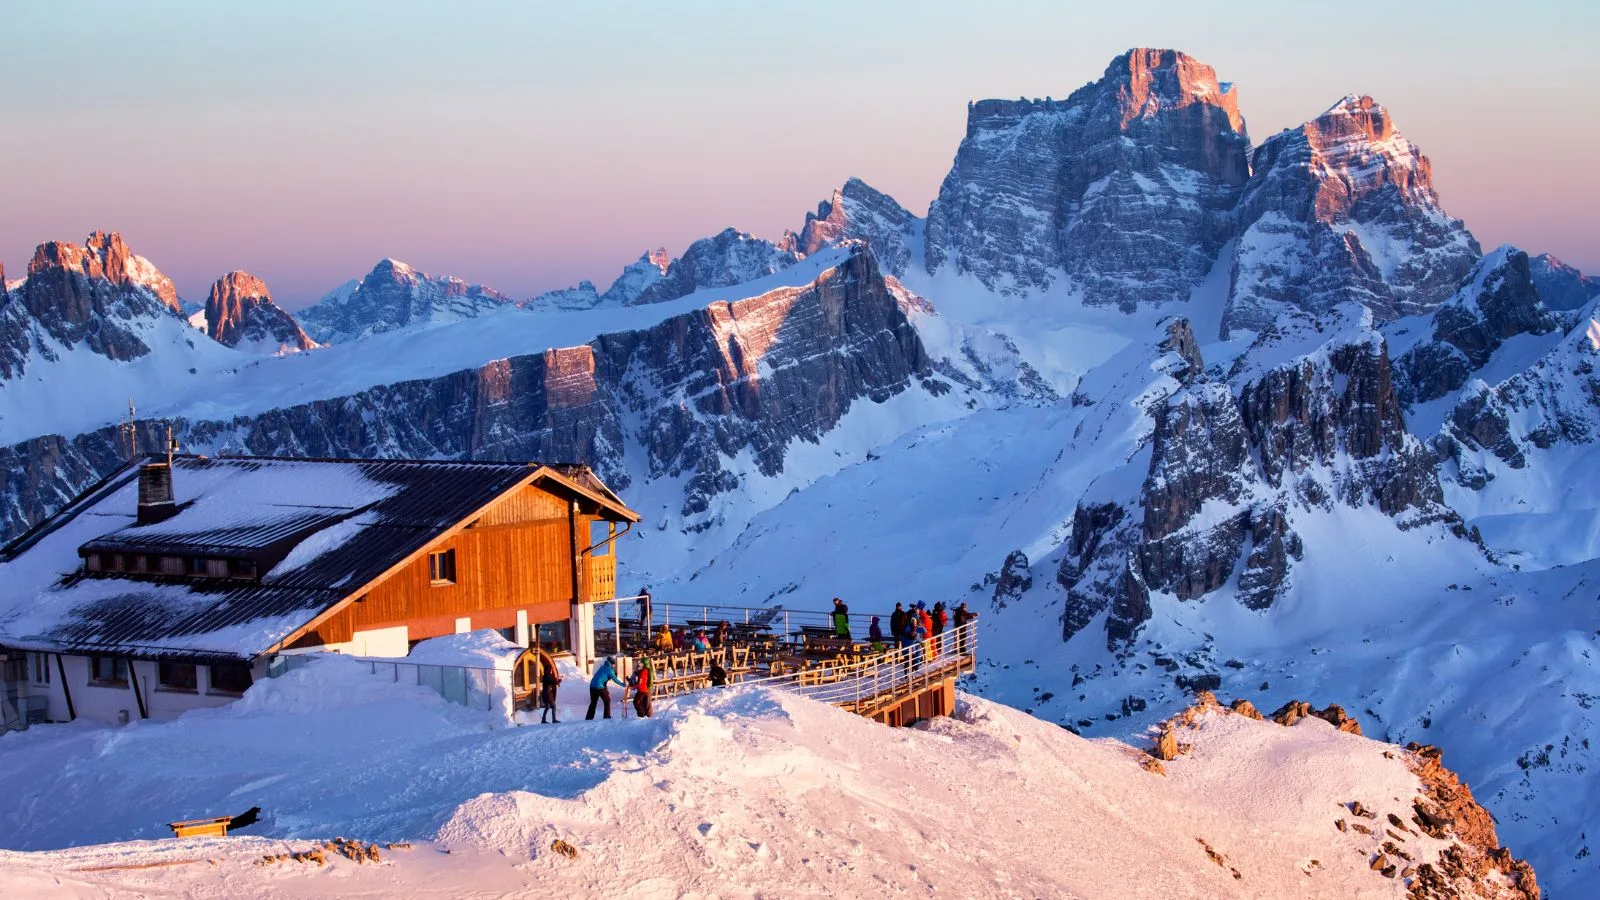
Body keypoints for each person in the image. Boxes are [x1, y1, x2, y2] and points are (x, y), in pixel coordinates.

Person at [538, 643, 562, 724]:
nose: (551, 671)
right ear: (549, 670)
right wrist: (559, 680)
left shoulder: (546, 676)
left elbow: (552, 681)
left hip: (544, 693)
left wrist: (557, 680)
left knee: (547, 707)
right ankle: (554, 719)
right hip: (548, 694)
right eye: (551, 670)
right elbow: (554, 682)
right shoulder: (548, 677)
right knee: (553, 706)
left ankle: (543, 720)